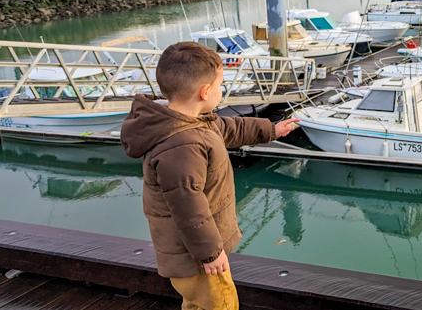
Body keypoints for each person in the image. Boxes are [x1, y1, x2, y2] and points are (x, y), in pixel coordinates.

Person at [121, 41, 299, 309]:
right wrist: (210, 254)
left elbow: (229, 129)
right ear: (205, 92)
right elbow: (188, 207)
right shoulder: (181, 146)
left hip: (195, 251)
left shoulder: (194, 121)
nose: (221, 90)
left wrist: (271, 130)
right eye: (220, 84)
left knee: (197, 304)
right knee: (220, 304)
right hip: (197, 256)